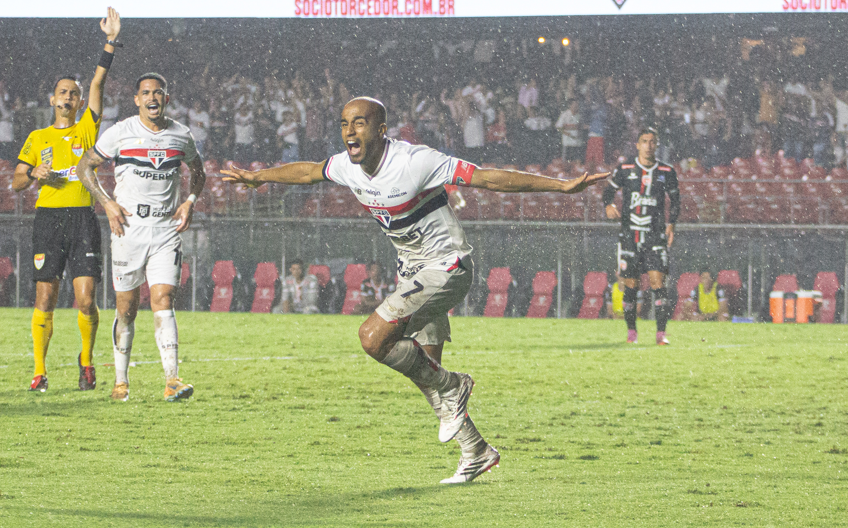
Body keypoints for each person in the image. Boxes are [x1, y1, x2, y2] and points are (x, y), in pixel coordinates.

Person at [221, 97, 607, 484]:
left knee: (373, 339)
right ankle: (475, 451)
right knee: (426, 370)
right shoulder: (346, 166)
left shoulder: (414, 161)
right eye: (344, 123)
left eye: (359, 123)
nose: (349, 131)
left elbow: (488, 177)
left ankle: (455, 384)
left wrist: (560, 186)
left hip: (448, 266)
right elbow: (308, 172)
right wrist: (261, 176)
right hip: (414, 273)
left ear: (381, 129)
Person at [76, 72, 206, 402]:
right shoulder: (121, 132)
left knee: (164, 299)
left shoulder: (181, 134)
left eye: (158, 92)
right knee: (127, 308)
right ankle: (121, 381)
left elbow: (199, 172)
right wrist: (106, 203)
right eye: (145, 92)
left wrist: (190, 201)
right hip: (128, 230)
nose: (152, 97)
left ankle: (172, 379)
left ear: (166, 98)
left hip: (165, 230)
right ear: (136, 100)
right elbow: (84, 166)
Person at [12, 8, 122, 392]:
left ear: (78, 101)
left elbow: (98, 82)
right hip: (47, 219)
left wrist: (109, 43)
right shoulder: (38, 137)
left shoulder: (88, 128)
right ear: (53, 98)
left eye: (74, 93)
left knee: (86, 299)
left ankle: (87, 363)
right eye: (63, 92)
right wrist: (32, 174)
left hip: (82, 218)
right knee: (45, 298)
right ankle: (40, 371)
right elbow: (15, 182)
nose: (70, 97)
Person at [602, 127, 680, 345]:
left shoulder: (666, 171)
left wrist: (671, 225)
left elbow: (675, 201)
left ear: (657, 144)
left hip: (655, 235)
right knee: (631, 285)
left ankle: (661, 334)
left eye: (653, 141)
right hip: (630, 235)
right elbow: (607, 191)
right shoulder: (625, 169)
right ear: (637, 145)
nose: (649, 145)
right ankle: (632, 333)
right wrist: (608, 205)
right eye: (644, 141)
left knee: (658, 283)